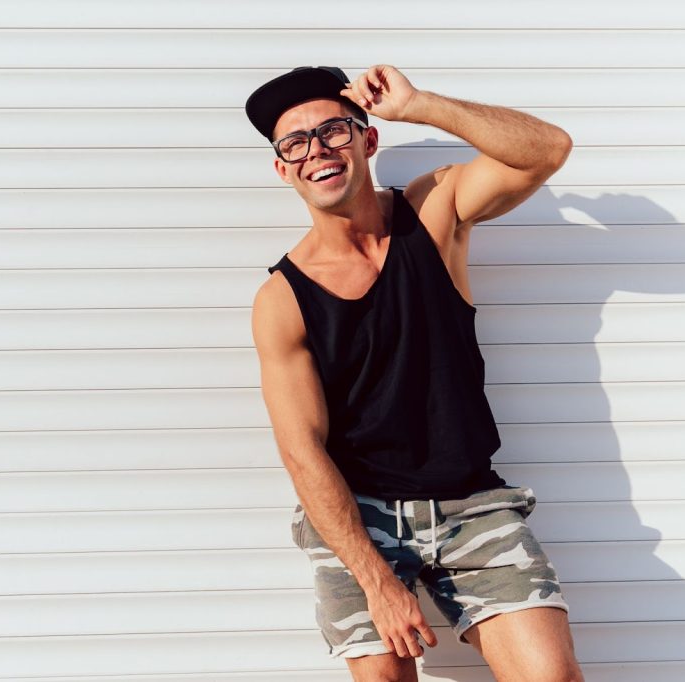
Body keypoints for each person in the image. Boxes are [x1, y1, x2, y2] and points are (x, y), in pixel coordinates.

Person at [246, 65, 583, 682]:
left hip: (471, 502)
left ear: (368, 140)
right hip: (356, 513)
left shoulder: (433, 211)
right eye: (294, 143)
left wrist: (421, 103)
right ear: (282, 168)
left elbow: (547, 151)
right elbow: (302, 452)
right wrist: (376, 581)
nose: (316, 150)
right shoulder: (282, 298)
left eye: (334, 131)